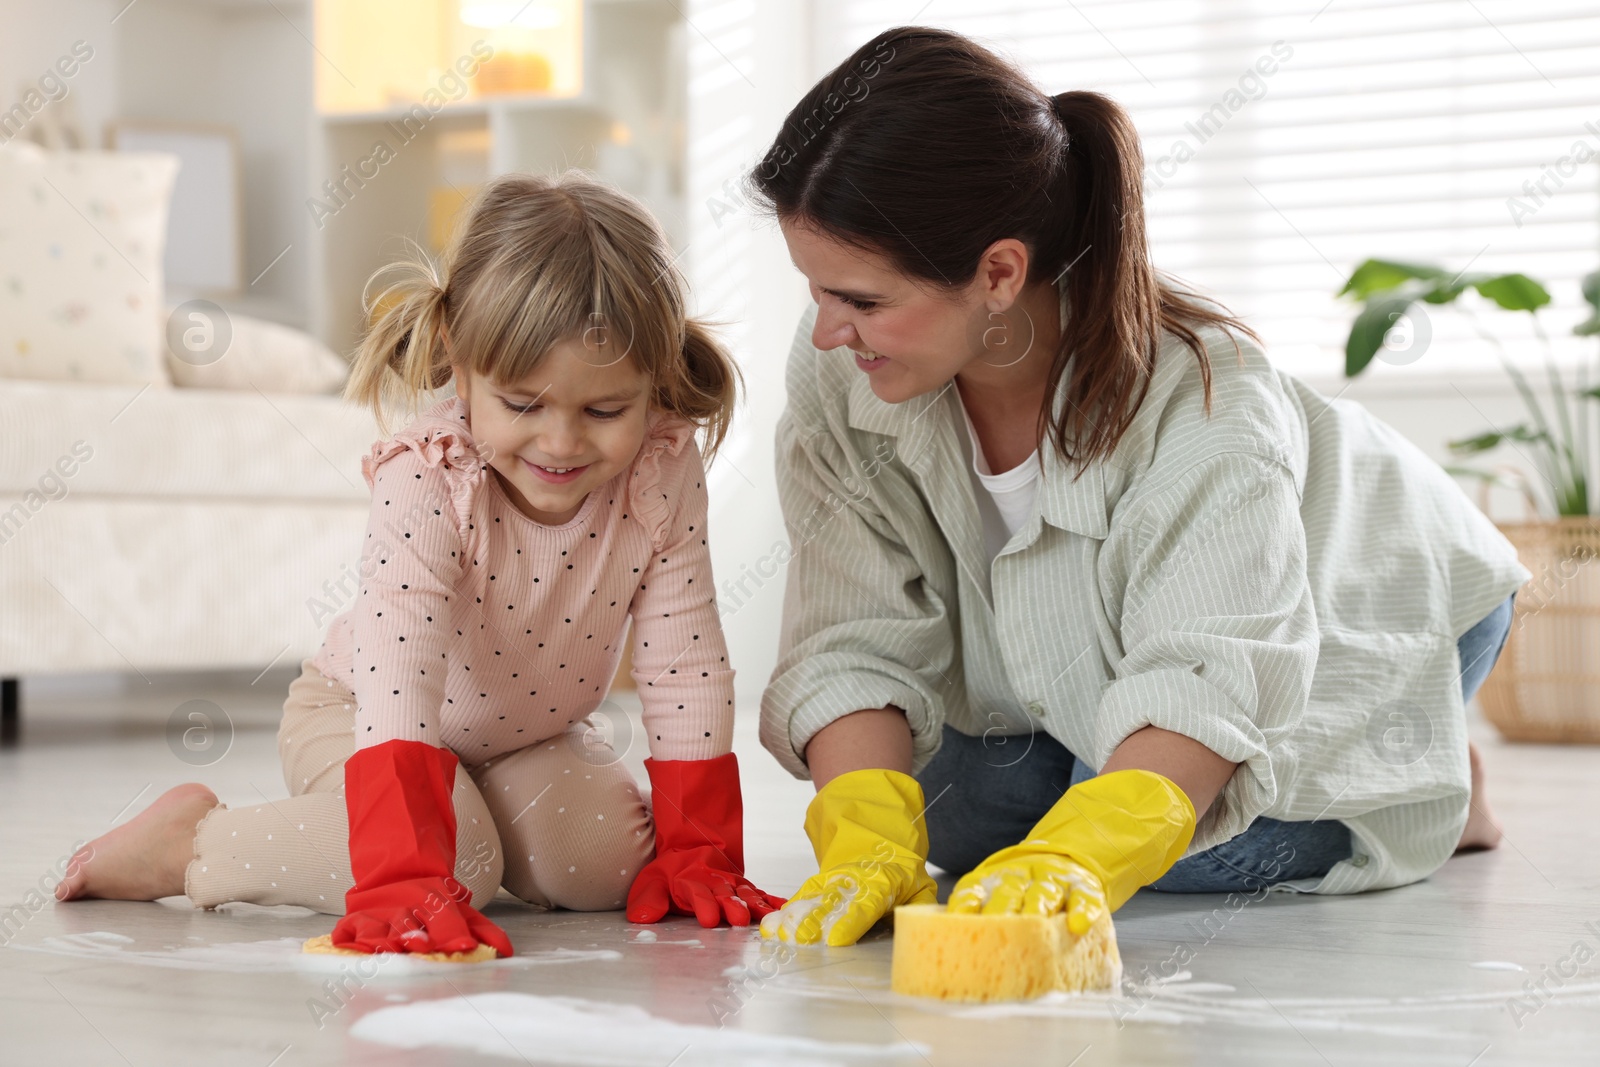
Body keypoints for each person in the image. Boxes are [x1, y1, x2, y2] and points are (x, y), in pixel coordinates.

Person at [753, 27, 1527, 947]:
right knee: (953, 820)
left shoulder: (1205, 398)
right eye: (818, 291)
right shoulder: (846, 373)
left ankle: (1417, 765)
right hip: (1097, 645)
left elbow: (1212, 672)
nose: (829, 333)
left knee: (1193, 845)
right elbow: (854, 632)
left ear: (999, 272)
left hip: (1368, 584)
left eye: (864, 301)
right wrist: (864, 840)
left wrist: (1079, 857)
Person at [56, 171, 782, 955]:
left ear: (656, 384)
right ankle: (193, 842)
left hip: (527, 736)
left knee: (603, 862)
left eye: (605, 410)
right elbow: (402, 669)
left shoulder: (661, 468)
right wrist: (403, 866)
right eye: (524, 404)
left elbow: (686, 663)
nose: (563, 442)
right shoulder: (432, 476)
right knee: (458, 854)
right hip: (361, 714)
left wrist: (698, 848)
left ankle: (470, 818)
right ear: (458, 364)